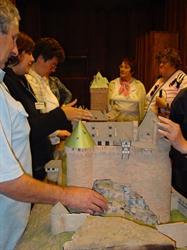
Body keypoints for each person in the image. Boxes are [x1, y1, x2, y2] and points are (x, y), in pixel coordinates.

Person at [0, 2, 107, 249]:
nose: (16, 50)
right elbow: (6, 180)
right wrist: (68, 194)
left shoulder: (4, 83)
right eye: (14, 39)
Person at [4, 32, 93, 180]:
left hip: (38, 155)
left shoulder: (22, 80)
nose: (31, 59)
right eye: (29, 54)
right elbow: (30, 126)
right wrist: (62, 114)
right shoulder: (14, 81)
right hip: (24, 163)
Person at [146, 48, 187, 117]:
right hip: (149, 124)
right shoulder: (159, 80)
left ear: (173, 64)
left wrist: (166, 105)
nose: (160, 65)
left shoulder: (184, 79)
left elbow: (184, 110)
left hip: (166, 126)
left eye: (164, 62)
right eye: (160, 62)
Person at [107, 57, 146, 122]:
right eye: (121, 67)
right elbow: (109, 105)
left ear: (132, 71)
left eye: (126, 67)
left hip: (134, 123)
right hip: (116, 122)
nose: (122, 69)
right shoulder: (113, 84)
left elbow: (144, 106)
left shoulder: (139, 86)